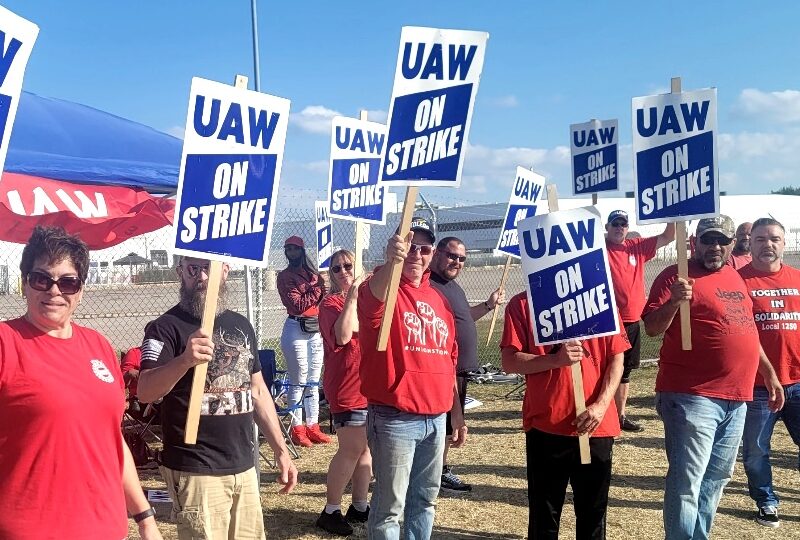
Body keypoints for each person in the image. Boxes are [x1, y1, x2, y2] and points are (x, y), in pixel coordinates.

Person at [0, 226, 162, 540]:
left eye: (68, 282)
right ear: (25, 284)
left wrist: (144, 518)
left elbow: (111, 443)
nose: (54, 291)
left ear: (81, 290)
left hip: (107, 529)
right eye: (41, 279)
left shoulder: (99, 346)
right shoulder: (6, 343)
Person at [642, 215, 784, 540]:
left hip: (737, 398)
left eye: (722, 240)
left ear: (734, 244)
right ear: (694, 242)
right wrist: (676, 301)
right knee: (687, 481)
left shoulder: (735, 278)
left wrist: (770, 375)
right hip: (691, 396)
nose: (715, 246)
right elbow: (651, 327)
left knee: (716, 478)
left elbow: (747, 333)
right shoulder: (674, 276)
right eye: (708, 239)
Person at [137, 256, 298, 540]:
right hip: (196, 467)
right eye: (192, 268)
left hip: (243, 464)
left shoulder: (241, 325)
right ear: (180, 272)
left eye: (207, 268)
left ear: (225, 271)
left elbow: (258, 391)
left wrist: (281, 449)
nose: (200, 277)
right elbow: (145, 390)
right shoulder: (165, 327)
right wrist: (185, 360)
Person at [358, 216, 465, 540]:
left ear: (432, 254)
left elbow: (449, 361)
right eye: (410, 247)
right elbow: (373, 300)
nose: (416, 255)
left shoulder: (439, 301)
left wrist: (456, 414)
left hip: (435, 418)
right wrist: (393, 261)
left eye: (424, 249)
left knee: (425, 501)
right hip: (395, 418)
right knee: (389, 507)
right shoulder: (382, 288)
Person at [501, 291, 629, 539]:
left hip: (595, 426)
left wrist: (602, 405)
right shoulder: (523, 304)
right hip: (546, 426)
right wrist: (555, 360)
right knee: (544, 517)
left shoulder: (600, 297)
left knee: (593, 515)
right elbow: (510, 362)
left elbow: (617, 358)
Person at [429, 236, 504, 493]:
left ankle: (440, 469)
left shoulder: (453, 287)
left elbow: (464, 318)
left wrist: (487, 305)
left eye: (462, 258)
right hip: (443, 370)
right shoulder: (430, 285)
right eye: (451, 256)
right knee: (444, 425)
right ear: (437, 253)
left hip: (459, 370)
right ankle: (434, 473)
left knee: (450, 426)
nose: (457, 262)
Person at [738, 217, 800, 528]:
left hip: (798, 380)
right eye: (760, 239)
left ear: (784, 243)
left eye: (774, 238)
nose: (768, 244)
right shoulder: (738, 282)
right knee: (756, 450)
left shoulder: (798, 279)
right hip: (758, 386)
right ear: (750, 243)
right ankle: (766, 501)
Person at [316, 249, 373, 536]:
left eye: (348, 266)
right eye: (335, 268)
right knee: (350, 449)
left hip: (370, 385)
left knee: (366, 450)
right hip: (346, 386)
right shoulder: (330, 303)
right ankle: (330, 510)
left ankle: (360, 505)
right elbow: (342, 334)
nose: (342, 272)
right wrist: (352, 295)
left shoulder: (370, 299)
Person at [605, 209, 675, 432]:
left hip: (631, 321)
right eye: (615, 224)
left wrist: (672, 210)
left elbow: (669, 236)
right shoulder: (598, 248)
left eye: (622, 224)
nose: (619, 228)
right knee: (603, 368)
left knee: (624, 371)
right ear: (607, 227)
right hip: (607, 321)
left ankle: (620, 416)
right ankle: (601, 411)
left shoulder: (636, 246)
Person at [277, 235, 330, 447]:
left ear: (302, 250)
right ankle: (298, 428)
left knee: (313, 380)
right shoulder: (285, 276)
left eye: (295, 249)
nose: (291, 253)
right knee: (298, 379)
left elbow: (323, 299)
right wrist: (318, 287)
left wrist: (319, 285)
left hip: (314, 328)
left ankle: (313, 425)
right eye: (288, 249)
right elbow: (297, 304)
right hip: (296, 327)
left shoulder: (312, 274)